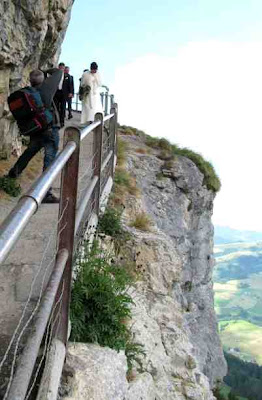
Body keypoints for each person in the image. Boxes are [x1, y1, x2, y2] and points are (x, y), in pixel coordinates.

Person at [8, 68, 62, 203]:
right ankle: (45, 192)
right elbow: (58, 72)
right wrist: (44, 71)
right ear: (43, 79)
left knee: (29, 152)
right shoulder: (47, 88)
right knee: (49, 160)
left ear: (31, 81)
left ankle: (12, 175)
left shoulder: (29, 93)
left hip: (36, 129)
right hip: (49, 130)